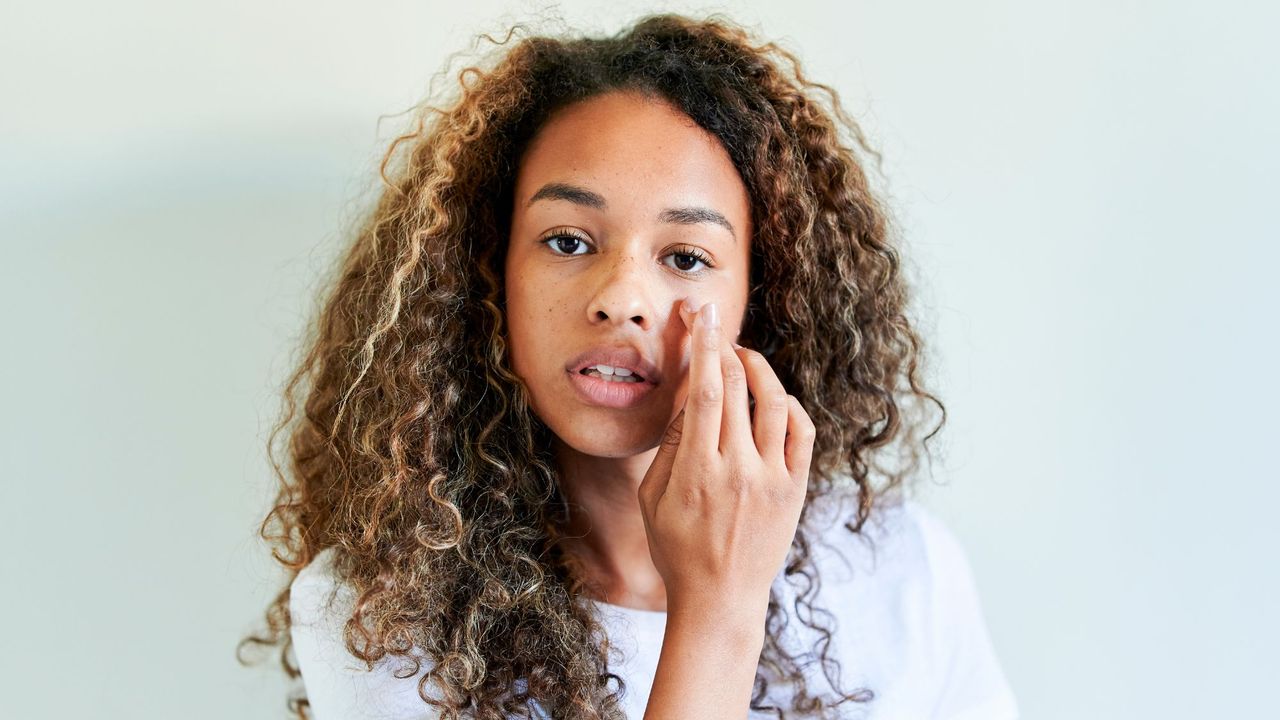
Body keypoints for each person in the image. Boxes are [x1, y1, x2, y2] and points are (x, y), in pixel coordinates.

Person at [238, 12, 1019, 720]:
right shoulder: (383, 610)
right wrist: (717, 611)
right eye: (568, 241)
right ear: (487, 271)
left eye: (686, 255)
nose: (622, 299)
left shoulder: (898, 568)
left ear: (762, 295)